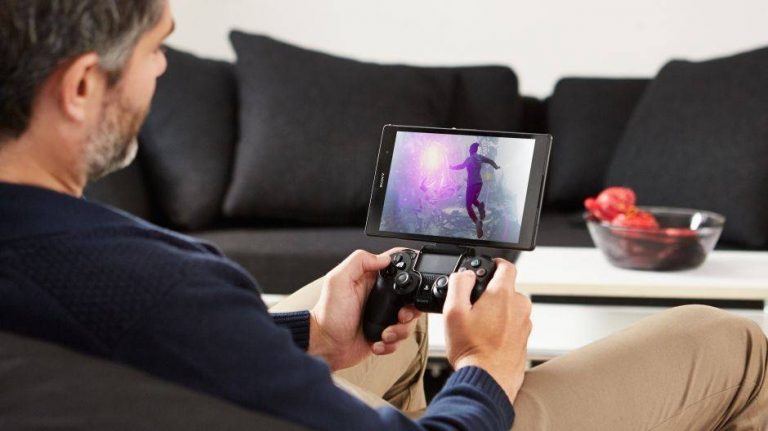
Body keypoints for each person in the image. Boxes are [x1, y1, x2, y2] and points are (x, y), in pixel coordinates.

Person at [0, 1, 765, 430]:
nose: (164, 67)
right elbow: (172, 320)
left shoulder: (83, 274)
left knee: (394, 326)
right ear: (81, 87)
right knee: (732, 342)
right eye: (155, 49)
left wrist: (306, 334)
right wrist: (486, 367)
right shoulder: (165, 287)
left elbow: (177, 342)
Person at [450, 142, 500, 238]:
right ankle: (480, 206)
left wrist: (452, 167)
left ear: (470, 150)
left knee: (468, 206)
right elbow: (490, 161)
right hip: (479, 184)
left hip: (471, 185)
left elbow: (461, 166)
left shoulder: (469, 159)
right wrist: (496, 167)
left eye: (469, 149)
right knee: (473, 200)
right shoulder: (480, 157)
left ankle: (477, 223)